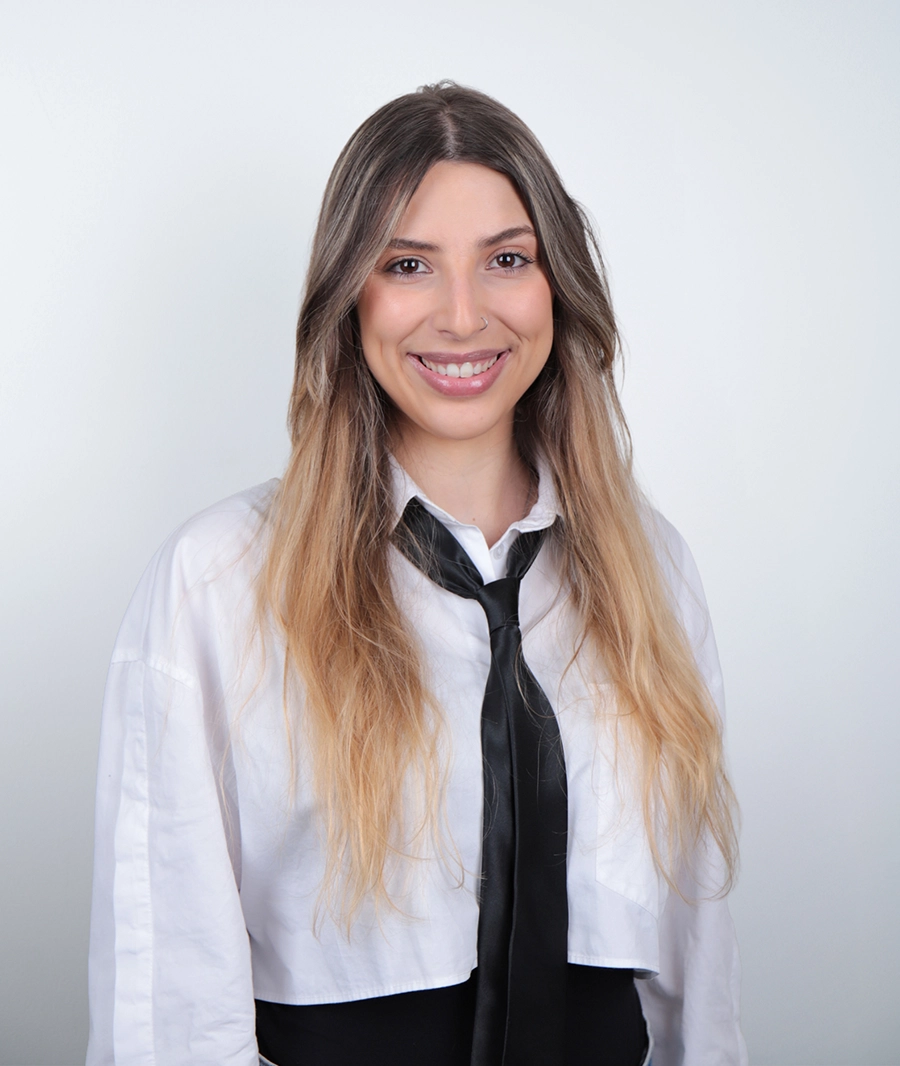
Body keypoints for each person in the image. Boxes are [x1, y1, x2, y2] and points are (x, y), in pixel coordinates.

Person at [86, 82, 746, 1066]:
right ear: (350, 294)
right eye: (408, 265)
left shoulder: (651, 569)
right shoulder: (219, 582)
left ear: (556, 285)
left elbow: (699, 966)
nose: (464, 315)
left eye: (507, 259)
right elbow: (165, 998)